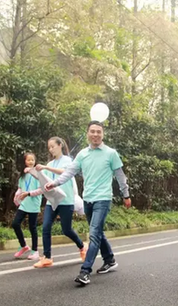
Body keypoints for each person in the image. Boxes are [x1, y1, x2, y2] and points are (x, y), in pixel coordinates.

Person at [44, 121, 131, 285]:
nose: (96, 134)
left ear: (103, 134)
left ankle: (85, 271)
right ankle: (110, 260)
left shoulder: (111, 153)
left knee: (94, 233)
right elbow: (70, 172)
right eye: (93, 131)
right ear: (88, 134)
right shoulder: (82, 154)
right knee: (97, 232)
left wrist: (125, 194)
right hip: (88, 199)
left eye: (99, 132)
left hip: (103, 198)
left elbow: (120, 176)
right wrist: (54, 183)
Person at [33, 137, 87, 268]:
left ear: (60, 145)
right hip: (51, 200)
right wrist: (32, 171)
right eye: (49, 147)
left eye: (53, 146)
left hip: (66, 200)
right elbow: (43, 178)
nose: (51, 149)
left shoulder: (68, 160)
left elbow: (66, 172)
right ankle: (47, 257)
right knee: (46, 227)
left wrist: (46, 167)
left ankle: (82, 246)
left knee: (66, 229)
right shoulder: (50, 164)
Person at [12, 152, 42, 260]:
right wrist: (17, 196)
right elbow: (20, 188)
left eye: (32, 160)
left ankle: (35, 251)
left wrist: (29, 193)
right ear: (24, 162)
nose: (30, 162)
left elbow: (41, 190)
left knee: (32, 227)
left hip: (34, 203)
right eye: (28, 160)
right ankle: (24, 246)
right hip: (24, 203)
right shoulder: (23, 175)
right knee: (15, 224)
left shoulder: (38, 174)